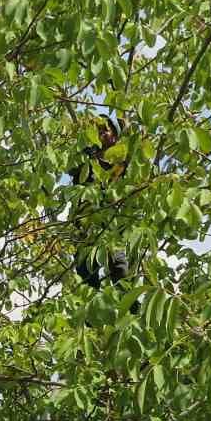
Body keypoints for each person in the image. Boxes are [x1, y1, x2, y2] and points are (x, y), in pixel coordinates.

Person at [71, 116, 131, 291]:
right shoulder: (87, 156)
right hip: (84, 218)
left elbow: (122, 187)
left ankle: (129, 304)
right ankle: (92, 305)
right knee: (85, 267)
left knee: (118, 265)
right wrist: (84, 160)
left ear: (114, 136)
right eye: (98, 131)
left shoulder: (121, 162)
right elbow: (72, 172)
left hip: (110, 219)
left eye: (105, 130)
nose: (101, 134)